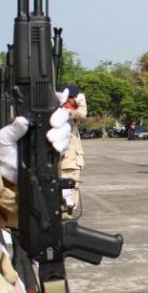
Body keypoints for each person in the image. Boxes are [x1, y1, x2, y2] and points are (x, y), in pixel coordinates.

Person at [60, 85, 87, 214]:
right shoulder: (66, 112)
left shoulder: (60, 111)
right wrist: (82, 100)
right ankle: (67, 219)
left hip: (64, 160)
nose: (76, 100)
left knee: (65, 195)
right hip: (69, 161)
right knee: (70, 194)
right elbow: (82, 113)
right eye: (74, 97)